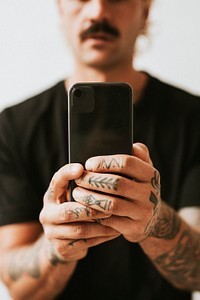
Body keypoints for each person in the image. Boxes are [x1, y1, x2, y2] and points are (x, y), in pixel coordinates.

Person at [0, 0, 200, 299]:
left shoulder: (194, 119)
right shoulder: (14, 126)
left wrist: (154, 223)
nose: (97, 12)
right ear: (60, 9)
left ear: (144, 11)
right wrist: (55, 248)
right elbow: (20, 288)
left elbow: (196, 273)